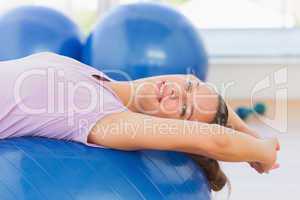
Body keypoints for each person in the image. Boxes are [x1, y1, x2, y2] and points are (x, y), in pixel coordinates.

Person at [0, 52, 279, 191]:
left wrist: (262, 151)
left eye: (182, 109)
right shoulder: (98, 79)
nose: (176, 91)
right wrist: (246, 130)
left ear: (175, 129)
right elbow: (200, 90)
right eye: (190, 87)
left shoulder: (104, 118)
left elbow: (213, 140)